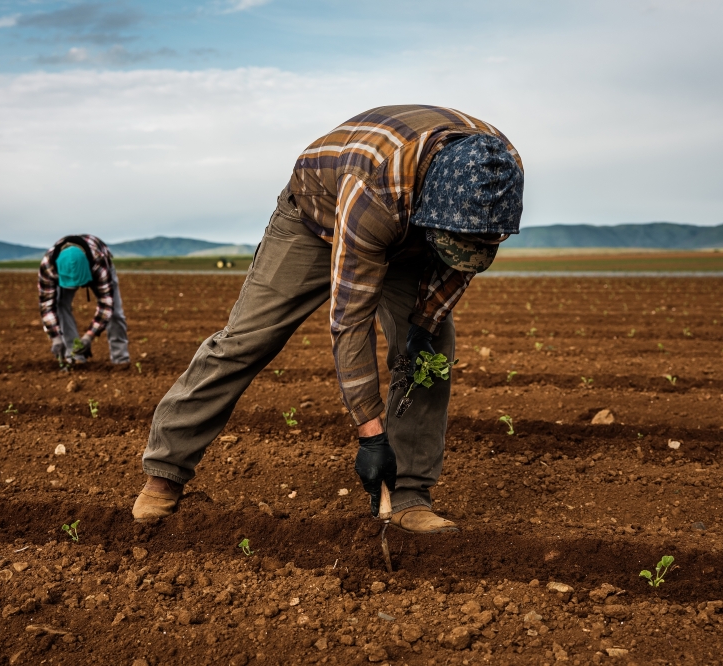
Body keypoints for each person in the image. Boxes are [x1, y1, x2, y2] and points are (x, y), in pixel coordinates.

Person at [133, 105, 523, 533]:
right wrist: (371, 436)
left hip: (416, 230)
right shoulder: (373, 185)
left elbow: (459, 265)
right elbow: (350, 320)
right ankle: (164, 475)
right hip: (316, 219)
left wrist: (423, 328)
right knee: (246, 340)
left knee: (429, 357)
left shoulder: (497, 175)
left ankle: (410, 496)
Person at [38, 234, 130, 366]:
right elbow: (47, 306)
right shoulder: (48, 266)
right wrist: (56, 338)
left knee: (115, 313)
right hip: (61, 272)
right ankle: (75, 355)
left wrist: (89, 337)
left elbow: (106, 305)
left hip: (98, 267)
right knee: (60, 305)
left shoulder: (98, 262)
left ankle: (121, 360)